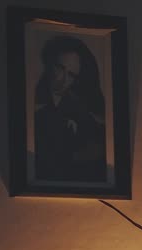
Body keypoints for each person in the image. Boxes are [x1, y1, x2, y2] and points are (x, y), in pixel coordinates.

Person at [33, 35, 107, 183]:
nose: (62, 79)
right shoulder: (35, 104)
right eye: (60, 68)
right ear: (49, 63)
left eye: (71, 75)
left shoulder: (79, 109)